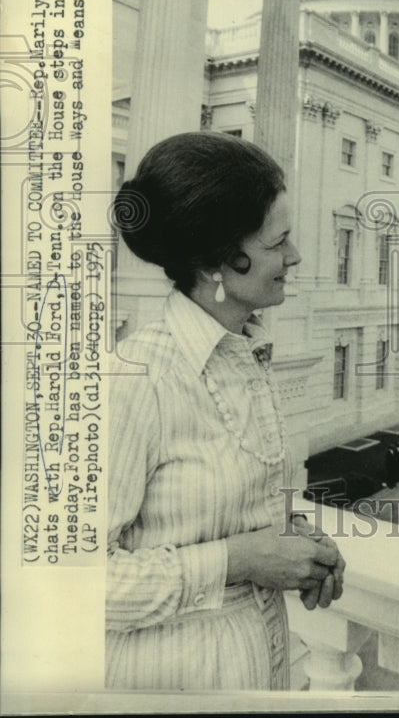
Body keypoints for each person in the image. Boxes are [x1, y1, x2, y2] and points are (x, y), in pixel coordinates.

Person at [107, 131, 344, 690]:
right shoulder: (137, 378)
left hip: (261, 665)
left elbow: (230, 506)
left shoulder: (247, 353)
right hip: (170, 684)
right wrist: (238, 562)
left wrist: (300, 544)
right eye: (277, 242)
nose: (296, 256)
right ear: (219, 259)